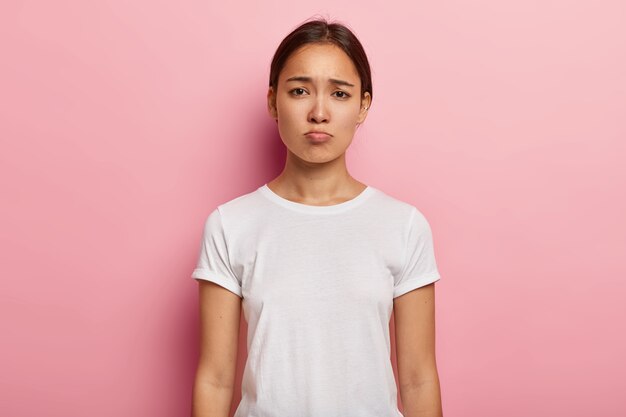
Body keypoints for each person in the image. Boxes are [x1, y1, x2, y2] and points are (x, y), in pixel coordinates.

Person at [191, 17, 443, 417]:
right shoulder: (230, 225)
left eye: (340, 94)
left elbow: (418, 379)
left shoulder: (404, 226)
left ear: (363, 105)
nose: (319, 112)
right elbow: (215, 378)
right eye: (300, 91)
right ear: (273, 102)